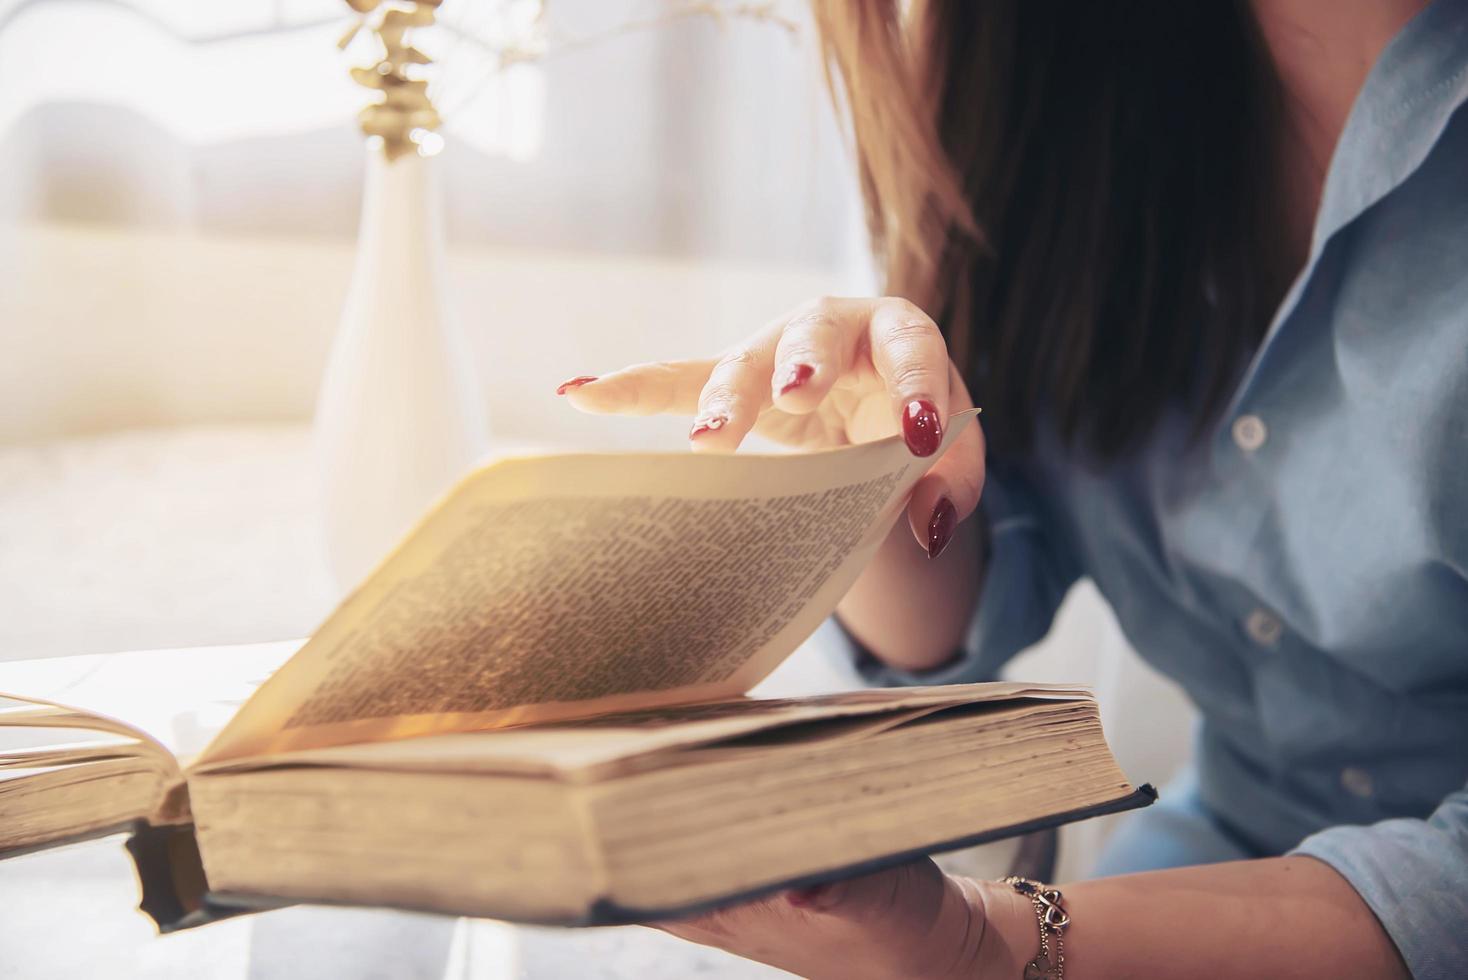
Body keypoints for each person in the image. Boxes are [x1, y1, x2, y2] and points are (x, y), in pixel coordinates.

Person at [557, 1, 1467, 976]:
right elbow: (971, 590)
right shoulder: (1058, 63)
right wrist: (867, 475)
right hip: (1214, 858)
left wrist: (987, 941)